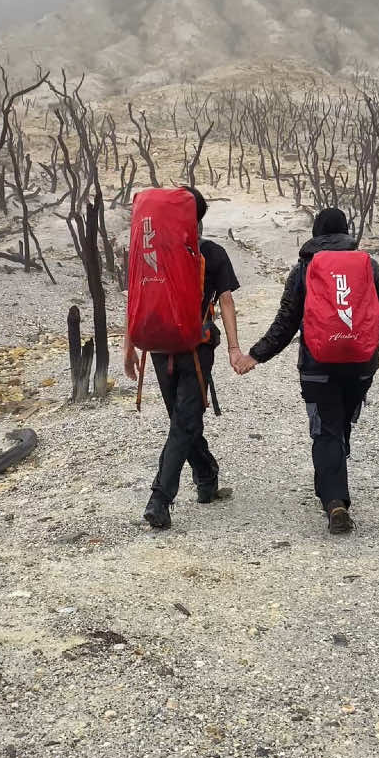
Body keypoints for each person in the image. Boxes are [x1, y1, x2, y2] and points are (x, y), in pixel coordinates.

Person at [234, 208, 379, 534]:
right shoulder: (367, 267)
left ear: (315, 236)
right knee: (340, 423)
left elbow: (286, 322)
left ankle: (334, 501)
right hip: (360, 365)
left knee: (325, 428)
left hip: (317, 366)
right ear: (347, 233)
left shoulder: (304, 269)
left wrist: (255, 356)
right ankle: (333, 487)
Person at [124, 187, 245, 530]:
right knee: (184, 421)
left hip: (158, 347)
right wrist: (235, 349)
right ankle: (187, 485)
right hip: (196, 348)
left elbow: (137, 295)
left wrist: (129, 345)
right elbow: (226, 302)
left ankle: (175, 491)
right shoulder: (212, 252)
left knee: (183, 420)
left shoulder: (153, 252)